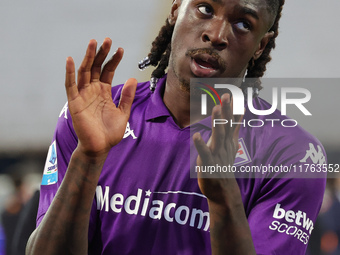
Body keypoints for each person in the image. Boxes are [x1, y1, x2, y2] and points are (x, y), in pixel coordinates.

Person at [26, 0, 327, 254]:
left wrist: (224, 199)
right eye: (205, 8)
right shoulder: (99, 116)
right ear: (175, 9)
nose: (216, 34)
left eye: (243, 24)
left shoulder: (292, 153)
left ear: (261, 45)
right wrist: (88, 159)